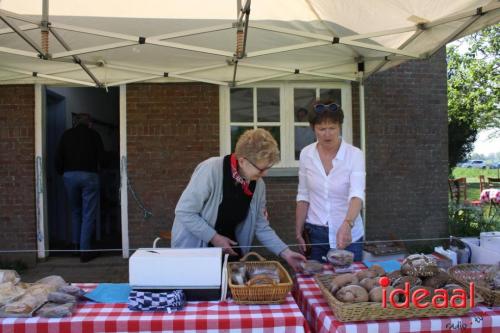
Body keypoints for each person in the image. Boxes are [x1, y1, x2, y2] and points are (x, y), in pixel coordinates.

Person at [171, 128, 306, 272]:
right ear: (242, 161)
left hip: (229, 253)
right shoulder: (211, 169)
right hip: (195, 252)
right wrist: (214, 237)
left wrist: (286, 253)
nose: (265, 174)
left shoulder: (258, 185)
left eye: (268, 168)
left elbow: (261, 226)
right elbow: (184, 211)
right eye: (261, 169)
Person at [295, 102, 365, 262]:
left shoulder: (355, 155)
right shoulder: (306, 154)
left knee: (350, 284)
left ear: (339, 127)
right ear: (313, 128)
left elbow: (357, 195)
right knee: (316, 283)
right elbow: (303, 195)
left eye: (332, 128)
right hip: (315, 233)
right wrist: (298, 230)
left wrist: (347, 225)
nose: (327, 134)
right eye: (321, 129)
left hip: (348, 233)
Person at [56, 113, 104, 263]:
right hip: (89, 175)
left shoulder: (66, 135)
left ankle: (75, 246)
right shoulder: (94, 135)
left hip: (69, 176)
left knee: (75, 211)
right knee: (88, 214)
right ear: (89, 123)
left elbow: (58, 157)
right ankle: (85, 251)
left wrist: (62, 173)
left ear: (76, 122)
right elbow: (101, 157)